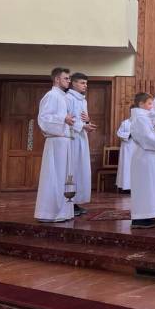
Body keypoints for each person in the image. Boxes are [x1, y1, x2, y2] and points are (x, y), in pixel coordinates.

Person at [34, 67, 75, 223]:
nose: (69, 81)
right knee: (54, 176)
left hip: (64, 140)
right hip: (56, 141)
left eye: (69, 78)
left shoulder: (62, 97)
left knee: (64, 177)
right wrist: (63, 119)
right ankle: (49, 212)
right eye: (66, 78)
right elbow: (43, 119)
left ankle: (63, 212)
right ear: (57, 79)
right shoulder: (51, 96)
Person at [129, 92, 155, 229]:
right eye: (149, 103)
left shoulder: (143, 117)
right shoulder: (140, 119)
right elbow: (147, 138)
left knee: (149, 187)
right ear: (141, 104)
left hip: (148, 157)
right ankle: (141, 217)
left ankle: (148, 214)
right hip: (144, 157)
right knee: (145, 187)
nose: (152, 106)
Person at [66, 72, 96, 216]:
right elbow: (66, 119)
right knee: (72, 170)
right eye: (82, 83)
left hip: (81, 138)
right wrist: (83, 126)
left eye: (86, 83)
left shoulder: (83, 100)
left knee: (80, 170)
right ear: (73, 83)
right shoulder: (68, 98)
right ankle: (68, 202)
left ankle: (75, 201)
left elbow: (83, 119)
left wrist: (88, 121)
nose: (85, 86)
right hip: (71, 139)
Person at [115, 106, 134, 194]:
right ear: (130, 112)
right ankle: (126, 187)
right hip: (127, 148)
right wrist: (129, 135)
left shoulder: (141, 123)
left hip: (137, 148)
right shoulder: (125, 123)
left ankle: (136, 187)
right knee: (126, 167)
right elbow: (119, 133)